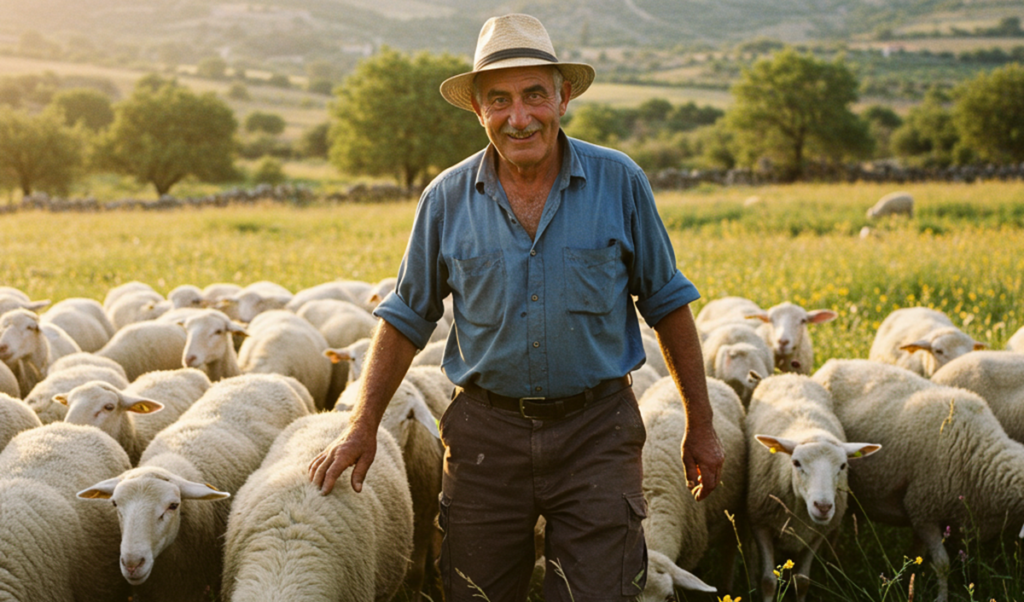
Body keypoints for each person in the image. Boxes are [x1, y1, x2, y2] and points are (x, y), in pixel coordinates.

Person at [309, 13, 725, 602]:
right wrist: (362, 425)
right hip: (486, 435)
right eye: (499, 100)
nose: (519, 116)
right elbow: (405, 318)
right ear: (478, 110)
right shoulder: (446, 198)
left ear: (564, 97)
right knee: (476, 592)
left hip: (597, 432)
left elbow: (668, 303)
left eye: (534, 94)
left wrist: (701, 425)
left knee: (599, 593)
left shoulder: (619, 182)